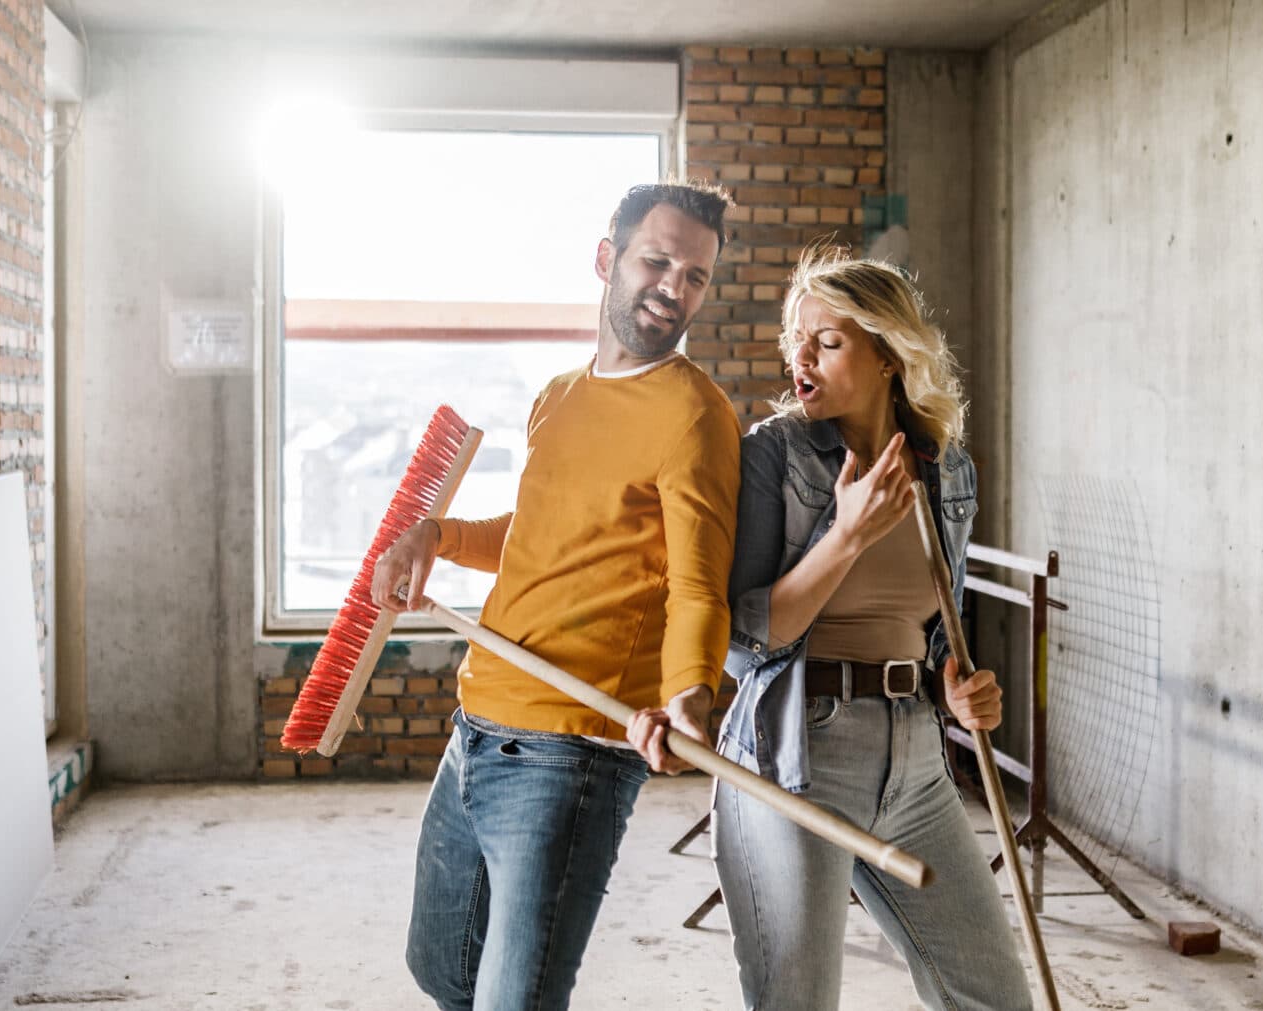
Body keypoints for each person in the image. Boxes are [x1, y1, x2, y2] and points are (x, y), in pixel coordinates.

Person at [375, 181, 742, 1011]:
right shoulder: (558, 398)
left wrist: (689, 695)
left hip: (570, 755)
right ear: (607, 259)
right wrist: (439, 537)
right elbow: (537, 533)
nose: (674, 288)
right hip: (478, 723)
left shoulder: (695, 415)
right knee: (440, 967)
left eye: (695, 276)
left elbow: (698, 584)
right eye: (657, 261)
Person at [701, 248, 1030, 1010]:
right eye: (798, 338)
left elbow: (940, 636)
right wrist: (843, 535)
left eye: (828, 341)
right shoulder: (773, 455)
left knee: (994, 996)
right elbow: (742, 646)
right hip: (796, 756)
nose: (801, 357)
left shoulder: (947, 468)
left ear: (886, 353)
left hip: (916, 761)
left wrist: (963, 690)